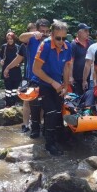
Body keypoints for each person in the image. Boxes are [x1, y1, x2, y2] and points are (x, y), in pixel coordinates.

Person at [32, 20, 72, 156]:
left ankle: (54, 137)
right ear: (51, 34)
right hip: (43, 83)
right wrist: (52, 82)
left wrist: (65, 86)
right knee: (51, 112)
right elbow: (36, 69)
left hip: (58, 84)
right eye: (58, 38)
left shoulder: (68, 47)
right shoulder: (45, 46)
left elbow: (67, 67)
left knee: (58, 112)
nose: (61, 41)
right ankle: (49, 145)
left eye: (64, 38)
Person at [19, 19, 51, 138]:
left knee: (45, 104)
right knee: (33, 104)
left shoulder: (50, 41)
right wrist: (34, 34)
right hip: (33, 77)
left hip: (47, 78)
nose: (44, 33)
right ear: (37, 29)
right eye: (42, 31)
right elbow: (21, 37)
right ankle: (33, 128)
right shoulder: (32, 39)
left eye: (47, 31)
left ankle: (41, 126)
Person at [5, 23, 36, 133]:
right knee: (26, 101)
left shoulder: (43, 44)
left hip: (40, 78)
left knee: (40, 102)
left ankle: (38, 124)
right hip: (26, 78)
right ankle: (25, 124)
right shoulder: (24, 46)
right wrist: (7, 68)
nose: (33, 35)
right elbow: (18, 59)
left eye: (35, 31)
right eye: (30, 32)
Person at [70, 23, 94, 95]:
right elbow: (71, 62)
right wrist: (70, 76)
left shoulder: (91, 43)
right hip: (77, 77)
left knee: (89, 97)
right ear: (79, 32)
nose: (88, 33)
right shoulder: (73, 45)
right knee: (77, 98)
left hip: (90, 77)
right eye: (86, 31)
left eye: (88, 31)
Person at [0, 31, 22, 107]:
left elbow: (22, 58)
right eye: (8, 39)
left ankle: (14, 102)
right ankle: (8, 102)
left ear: (14, 39)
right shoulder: (4, 47)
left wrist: (20, 63)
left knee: (15, 88)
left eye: (11, 39)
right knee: (8, 87)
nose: (10, 40)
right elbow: (0, 56)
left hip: (16, 70)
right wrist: (1, 60)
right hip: (7, 70)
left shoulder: (18, 47)